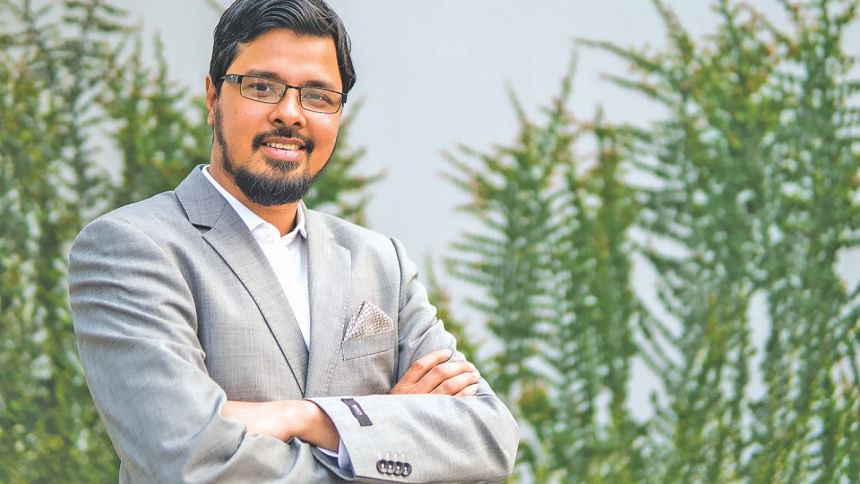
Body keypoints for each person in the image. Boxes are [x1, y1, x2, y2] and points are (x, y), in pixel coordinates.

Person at [68, 0, 518, 482]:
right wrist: (380, 435)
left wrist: (305, 417)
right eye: (262, 87)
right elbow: (184, 459)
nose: (290, 114)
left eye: (318, 96)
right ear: (212, 98)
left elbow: (488, 437)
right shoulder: (131, 248)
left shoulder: (380, 263)